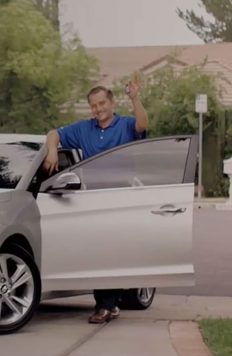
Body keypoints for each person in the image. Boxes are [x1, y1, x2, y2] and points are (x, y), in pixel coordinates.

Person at [43, 75, 149, 324]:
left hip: (120, 197)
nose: (98, 109)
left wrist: (135, 98)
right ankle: (108, 305)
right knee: (99, 252)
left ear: (111, 103)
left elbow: (143, 125)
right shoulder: (83, 129)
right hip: (92, 199)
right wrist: (51, 151)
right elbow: (53, 134)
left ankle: (106, 306)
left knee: (113, 252)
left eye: (102, 103)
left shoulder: (125, 125)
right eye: (93, 105)